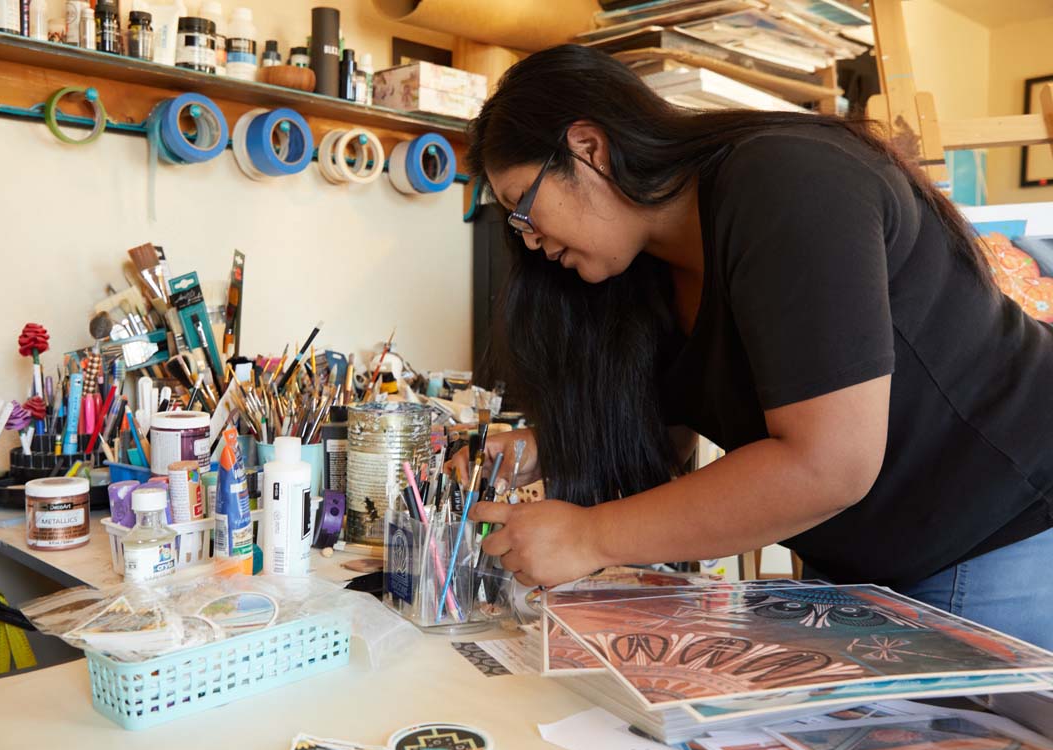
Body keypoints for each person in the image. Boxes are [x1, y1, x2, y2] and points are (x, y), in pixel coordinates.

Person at [449, 45, 1053, 650]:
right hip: (868, 563)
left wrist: (589, 536)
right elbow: (671, 426)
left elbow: (828, 465)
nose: (527, 241)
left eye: (522, 206)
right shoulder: (647, 268)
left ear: (588, 149)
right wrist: (550, 447)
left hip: (1002, 532)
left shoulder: (784, 182)